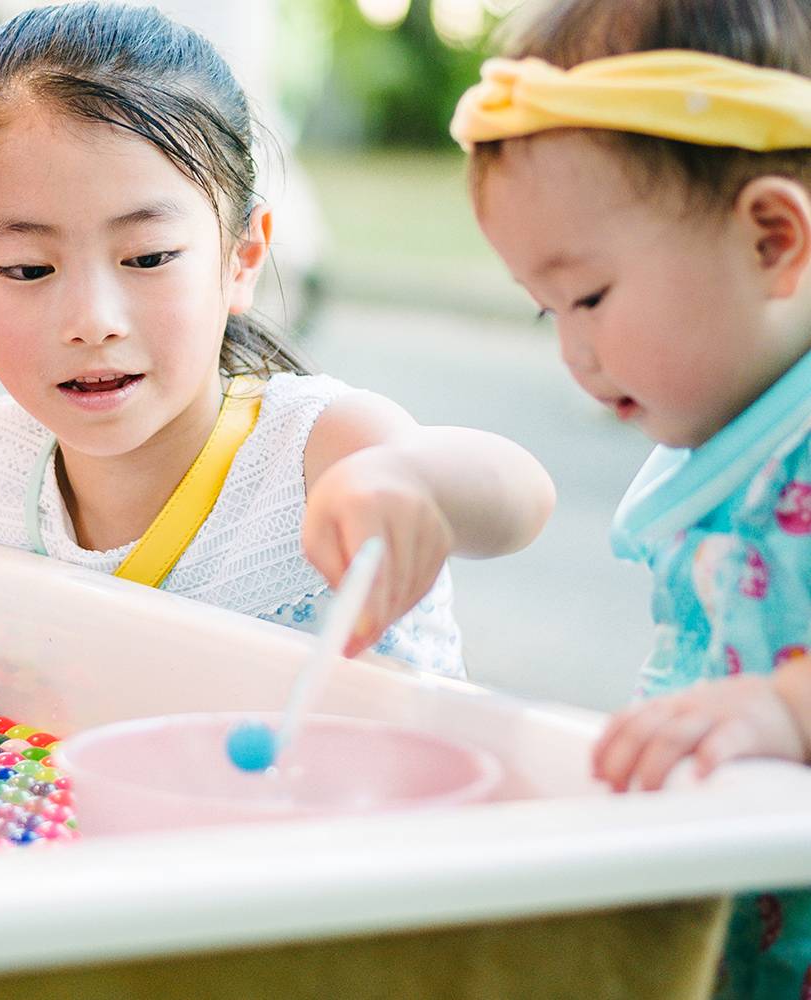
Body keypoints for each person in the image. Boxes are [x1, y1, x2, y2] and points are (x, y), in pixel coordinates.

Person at [0, 2, 554, 680]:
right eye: (30, 269)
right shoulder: (14, 466)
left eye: (149, 258)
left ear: (242, 259)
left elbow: (517, 495)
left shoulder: (316, 450)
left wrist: (411, 483)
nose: (93, 319)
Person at [450, 0, 811, 995]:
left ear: (773, 238)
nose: (574, 350)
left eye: (592, 297)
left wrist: (788, 708)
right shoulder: (731, 439)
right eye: (546, 310)